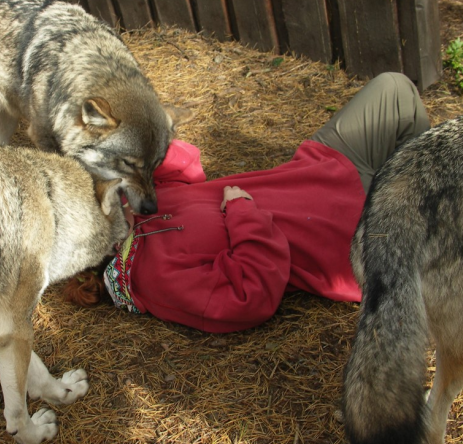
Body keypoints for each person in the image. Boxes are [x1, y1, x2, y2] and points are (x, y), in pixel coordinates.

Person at [63, 73, 431, 332]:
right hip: (349, 232)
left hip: (319, 170)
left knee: (394, 89)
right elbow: (247, 298)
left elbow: (188, 172)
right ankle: (434, 219)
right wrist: (243, 214)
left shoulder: (133, 207)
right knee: (431, 211)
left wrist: (145, 148)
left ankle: (422, 191)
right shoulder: (152, 279)